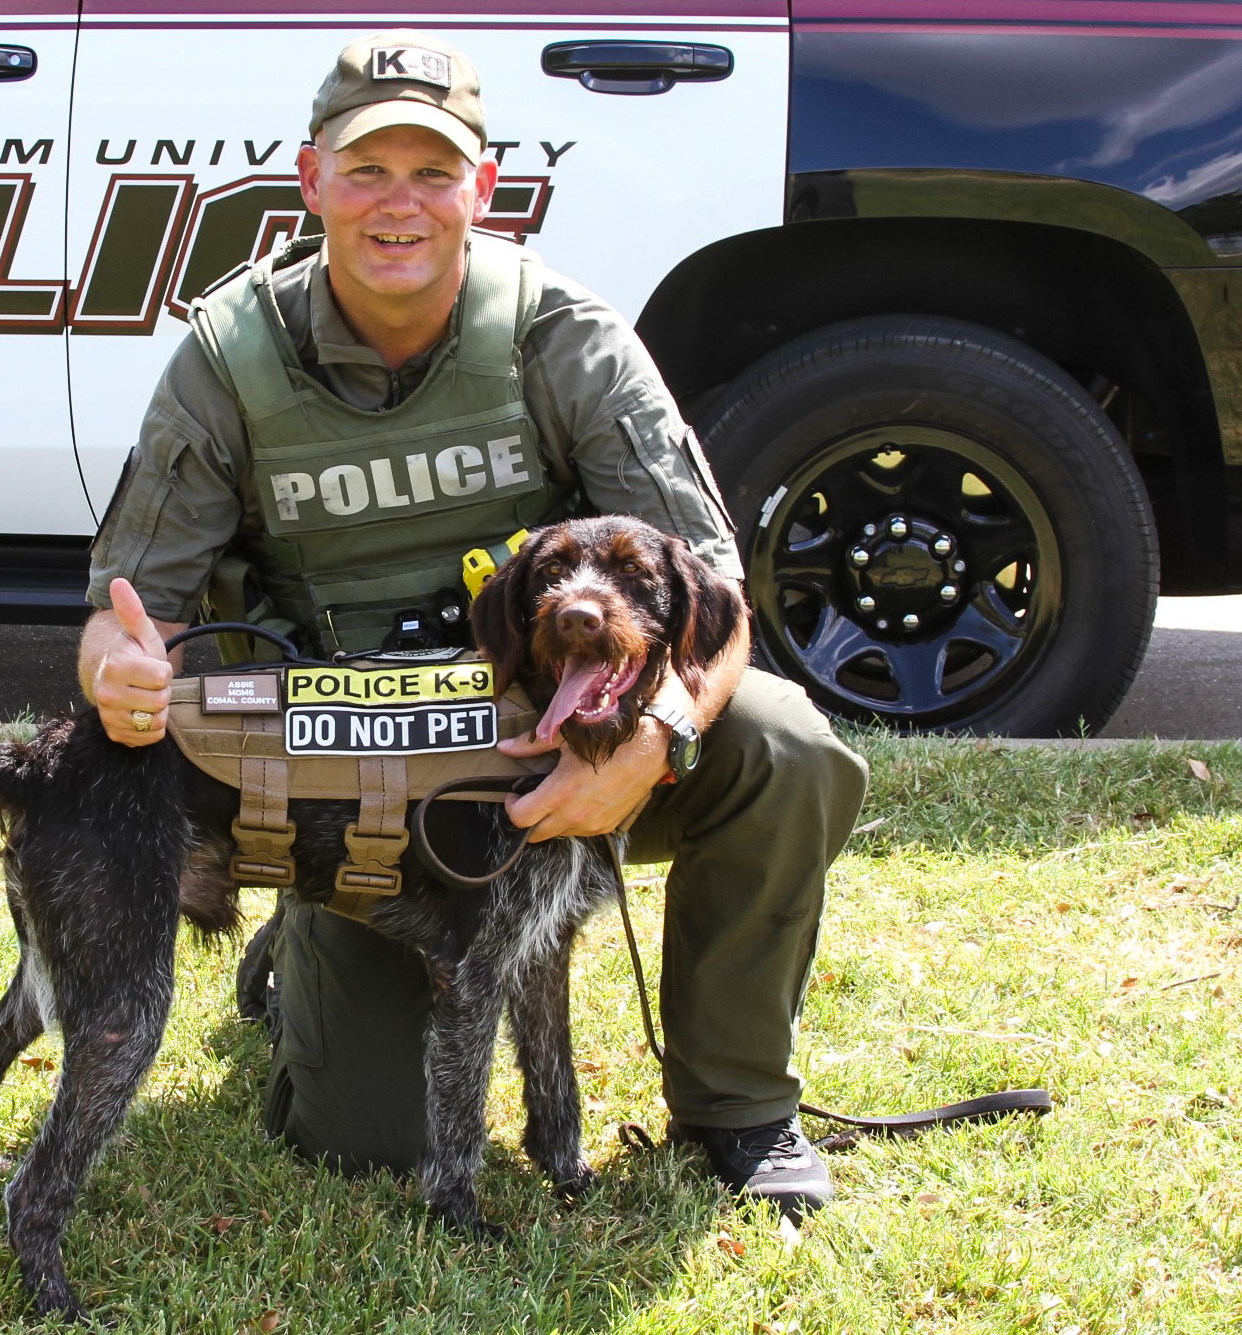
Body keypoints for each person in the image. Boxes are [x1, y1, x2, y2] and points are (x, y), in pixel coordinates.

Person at [77, 30, 868, 1216]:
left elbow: (713, 598)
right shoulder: (230, 358)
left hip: (557, 725)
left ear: (481, 189)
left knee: (786, 747)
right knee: (364, 1141)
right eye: (366, 171)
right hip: (359, 789)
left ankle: (740, 1105)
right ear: (310, 181)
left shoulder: (562, 337)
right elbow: (128, 614)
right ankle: (300, 950)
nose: (400, 205)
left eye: (433, 173)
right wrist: (120, 671)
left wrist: (654, 741)